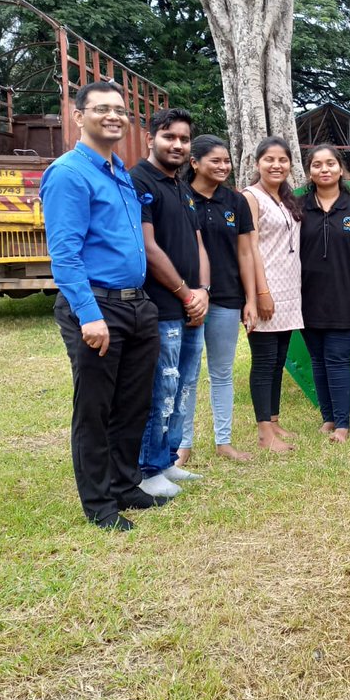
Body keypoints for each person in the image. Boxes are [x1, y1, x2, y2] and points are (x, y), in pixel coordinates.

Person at [41, 80, 161, 531]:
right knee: (95, 407)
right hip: (97, 307)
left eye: (120, 110)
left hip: (136, 306)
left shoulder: (120, 173)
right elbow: (65, 253)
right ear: (78, 116)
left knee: (133, 403)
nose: (114, 116)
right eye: (102, 109)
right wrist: (89, 315)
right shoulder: (70, 173)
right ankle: (99, 504)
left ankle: (126, 485)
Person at [128, 108, 209, 498]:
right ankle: (147, 469)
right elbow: (147, 246)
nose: (177, 144)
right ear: (150, 138)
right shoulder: (137, 181)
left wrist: (204, 290)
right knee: (161, 387)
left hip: (193, 303)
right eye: (169, 137)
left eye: (183, 138)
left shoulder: (181, 185)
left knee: (185, 387)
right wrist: (184, 292)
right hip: (161, 306)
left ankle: (168, 461)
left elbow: (197, 243)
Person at [180, 135, 258, 462]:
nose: (224, 166)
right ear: (194, 162)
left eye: (226, 161)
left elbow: (245, 252)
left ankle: (223, 441)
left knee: (222, 372)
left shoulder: (235, 201)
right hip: (187, 299)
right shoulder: (180, 196)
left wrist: (250, 299)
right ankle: (181, 445)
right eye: (216, 160)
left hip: (227, 298)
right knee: (186, 373)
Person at [299, 144, 350, 443]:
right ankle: (327, 418)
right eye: (317, 165)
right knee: (317, 359)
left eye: (330, 164)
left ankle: (342, 424)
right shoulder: (297, 205)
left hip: (346, 297)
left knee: (338, 359)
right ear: (309, 171)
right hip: (306, 297)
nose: (324, 169)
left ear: (341, 169)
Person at [243, 136, 304, 453]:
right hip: (266, 290)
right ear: (257, 164)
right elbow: (249, 248)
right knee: (264, 362)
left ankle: (275, 421)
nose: (276, 165)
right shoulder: (251, 197)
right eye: (269, 159)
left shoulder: (286, 199)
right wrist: (259, 293)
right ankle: (264, 433)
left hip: (290, 292)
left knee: (279, 360)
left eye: (283, 160)